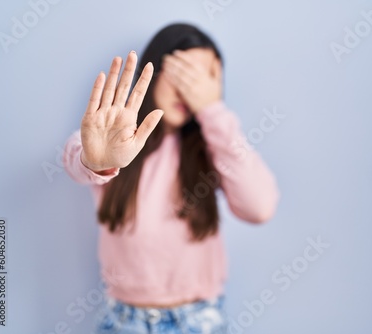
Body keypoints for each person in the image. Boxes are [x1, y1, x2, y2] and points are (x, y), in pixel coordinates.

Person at [63, 23, 280, 334]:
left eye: (202, 81)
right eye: (182, 73)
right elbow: (75, 158)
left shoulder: (214, 146)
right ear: (155, 69)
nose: (189, 90)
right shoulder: (118, 140)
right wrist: (94, 160)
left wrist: (212, 110)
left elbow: (260, 207)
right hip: (124, 320)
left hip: (199, 321)